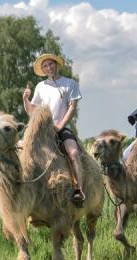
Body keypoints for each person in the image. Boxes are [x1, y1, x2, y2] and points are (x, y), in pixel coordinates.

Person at [22, 53, 86, 204]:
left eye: (51, 64)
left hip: (62, 128)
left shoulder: (69, 83)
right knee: (22, 148)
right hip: (43, 129)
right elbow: (32, 111)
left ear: (56, 65)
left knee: (74, 153)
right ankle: (24, 187)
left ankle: (79, 190)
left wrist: (60, 126)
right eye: (45, 66)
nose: (49, 67)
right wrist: (25, 99)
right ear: (43, 70)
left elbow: (72, 108)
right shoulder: (40, 87)